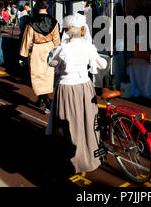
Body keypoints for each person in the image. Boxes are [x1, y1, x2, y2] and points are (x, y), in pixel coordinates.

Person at [46, 13, 107, 174]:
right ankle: (89, 156)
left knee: (68, 123)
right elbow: (102, 64)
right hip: (85, 87)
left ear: (68, 30)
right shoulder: (88, 46)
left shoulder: (63, 48)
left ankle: (69, 160)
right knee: (87, 121)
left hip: (67, 88)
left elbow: (50, 61)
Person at [20, 0, 60, 113]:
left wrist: (23, 55)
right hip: (50, 49)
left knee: (37, 76)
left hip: (37, 49)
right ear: (47, 6)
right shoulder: (54, 21)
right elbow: (57, 40)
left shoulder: (31, 22)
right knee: (48, 76)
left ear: (37, 7)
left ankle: (46, 101)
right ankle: (44, 100)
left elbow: (27, 39)